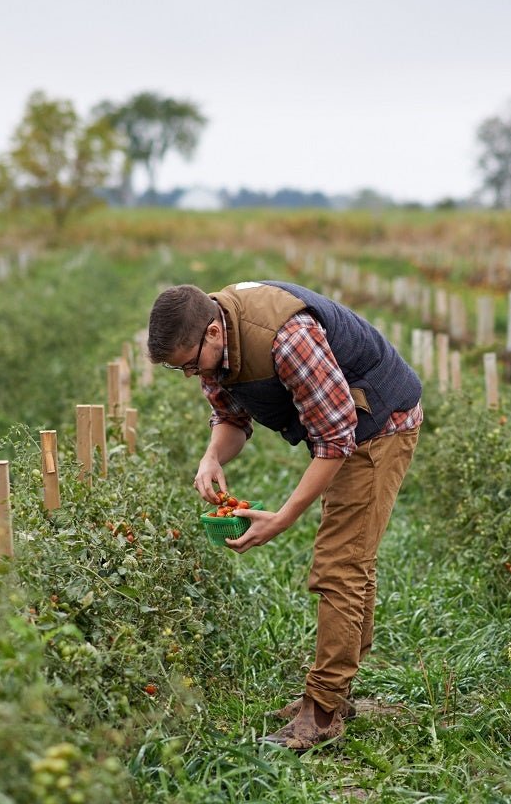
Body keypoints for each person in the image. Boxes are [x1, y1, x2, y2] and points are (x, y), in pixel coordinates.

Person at [147, 280, 422, 751]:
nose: (192, 375)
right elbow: (232, 419)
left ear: (213, 332)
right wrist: (211, 457)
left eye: (191, 364)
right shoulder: (214, 338)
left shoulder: (286, 338)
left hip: (380, 423)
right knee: (352, 559)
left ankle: (323, 712)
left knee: (340, 565)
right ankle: (338, 691)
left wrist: (284, 516)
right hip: (345, 426)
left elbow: (336, 440)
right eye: (181, 370)